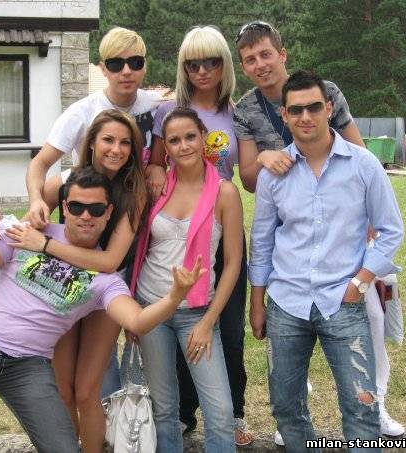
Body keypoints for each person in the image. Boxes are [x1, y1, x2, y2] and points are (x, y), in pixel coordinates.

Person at [0, 167, 205, 453]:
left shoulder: (105, 279)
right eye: (77, 207)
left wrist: (174, 297)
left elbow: (138, 321)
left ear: (108, 213)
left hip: (27, 368)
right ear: (65, 208)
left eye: (96, 209)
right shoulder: (29, 234)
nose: (86, 216)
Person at [248, 70, 404, 452]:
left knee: (361, 405)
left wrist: (360, 282)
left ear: (329, 108)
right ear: (284, 115)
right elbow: (262, 241)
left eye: (314, 107)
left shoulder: (363, 165)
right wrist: (257, 302)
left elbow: (391, 230)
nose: (306, 117)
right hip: (287, 301)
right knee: (286, 406)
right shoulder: (273, 175)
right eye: (296, 110)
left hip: (343, 299)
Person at [0, 110, 148, 453]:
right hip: (61, 289)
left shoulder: (133, 192)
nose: (116, 149)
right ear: (91, 142)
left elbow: (109, 262)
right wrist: (36, 204)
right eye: (108, 140)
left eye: (125, 143)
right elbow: (31, 221)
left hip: (103, 294)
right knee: (62, 388)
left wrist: (47, 245)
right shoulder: (66, 180)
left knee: (87, 390)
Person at [147, 26, 253, 445]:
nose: (203, 70)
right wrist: (155, 169)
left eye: (212, 61)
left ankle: (233, 412)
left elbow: (248, 168)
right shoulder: (167, 111)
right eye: (193, 64)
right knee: (175, 324)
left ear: (225, 65)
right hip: (178, 222)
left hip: (219, 219)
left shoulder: (236, 113)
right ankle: (183, 415)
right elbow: (155, 164)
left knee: (227, 329)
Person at [130, 107, 243, 452]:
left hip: (197, 313)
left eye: (190, 137)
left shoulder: (224, 192)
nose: (184, 146)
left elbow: (233, 263)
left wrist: (209, 322)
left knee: (220, 412)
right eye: (174, 140)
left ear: (203, 138)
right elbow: (138, 247)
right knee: (164, 409)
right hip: (152, 309)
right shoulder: (157, 186)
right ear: (166, 146)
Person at [25, 26, 160, 230]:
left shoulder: (156, 106)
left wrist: (158, 167)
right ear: (103, 69)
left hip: (136, 210)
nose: (126, 71)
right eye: (116, 64)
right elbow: (40, 162)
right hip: (89, 213)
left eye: (135, 62)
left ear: (144, 66)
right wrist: (36, 200)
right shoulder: (80, 113)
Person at [233, 20, 365, 193]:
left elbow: (361, 157)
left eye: (265, 54)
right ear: (243, 68)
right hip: (284, 204)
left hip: (337, 195)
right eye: (251, 60)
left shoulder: (326, 93)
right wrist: (262, 159)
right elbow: (249, 184)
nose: (260, 65)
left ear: (282, 55)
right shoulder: (244, 111)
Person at [365, 228, 405, 437]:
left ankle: (377, 404)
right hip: (303, 256)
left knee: (375, 319)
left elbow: (390, 227)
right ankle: (293, 416)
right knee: (297, 332)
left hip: (357, 254)